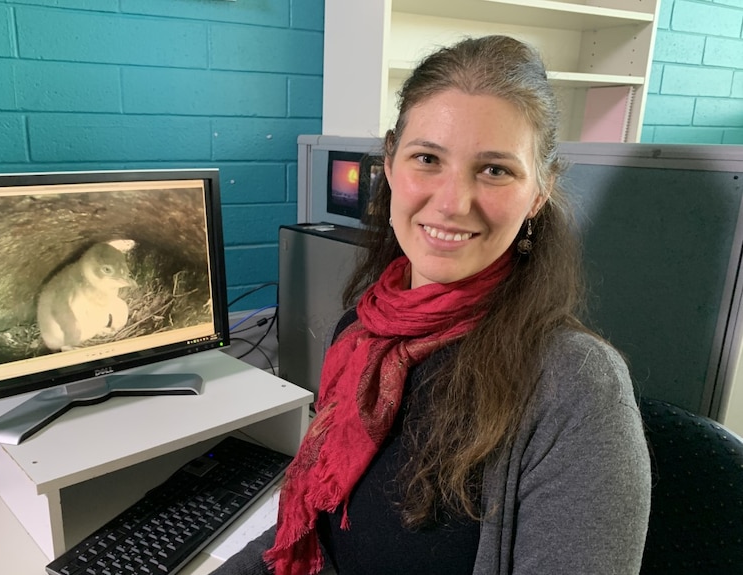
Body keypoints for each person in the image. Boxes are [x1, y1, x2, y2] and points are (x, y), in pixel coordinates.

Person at [214, 35, 651, 575]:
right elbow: (307, 532)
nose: (452, 203)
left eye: (494, 170)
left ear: (540, 190)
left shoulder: (576, 387)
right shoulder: (362, 333)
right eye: (427, 158)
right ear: (391, 164)